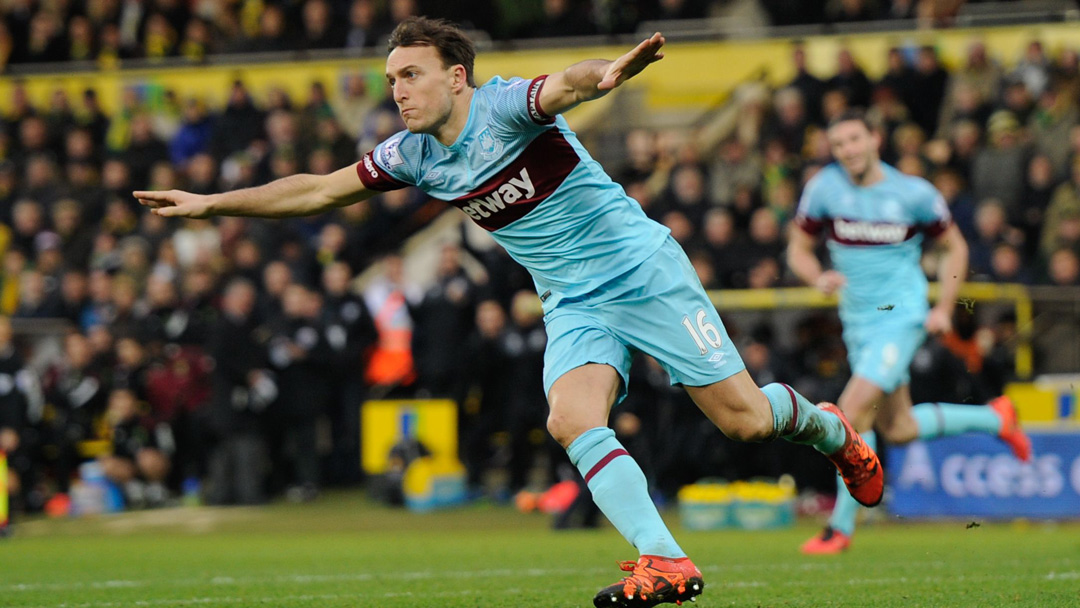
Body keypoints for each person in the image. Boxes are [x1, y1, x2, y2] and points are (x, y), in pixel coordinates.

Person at [136, 17, 883, 607]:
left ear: (455, 78)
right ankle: (665, 558)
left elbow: (563, 85)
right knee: (569, 418)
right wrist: (212, 204)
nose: (398, 91)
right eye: (392, 78)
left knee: (746, 421)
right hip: (572, 301)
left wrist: (607, 76)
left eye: (411, 75)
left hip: (641, 272)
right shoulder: (413, 155)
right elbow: (317, 190)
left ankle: (833, 431)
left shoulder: (500, 105)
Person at [786, 110, 1033, 555]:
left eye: (855, 139)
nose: (848, 150)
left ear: (875, 138)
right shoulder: (823, 188)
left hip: (901, 317)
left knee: (849, 410)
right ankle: (996, 418)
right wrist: (816, 277)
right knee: (897, 427)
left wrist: (942, 307)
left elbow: (955, 246)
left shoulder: (914, 194)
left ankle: (839, 528)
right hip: (858, 323)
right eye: (839, 144)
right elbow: (798, 249)